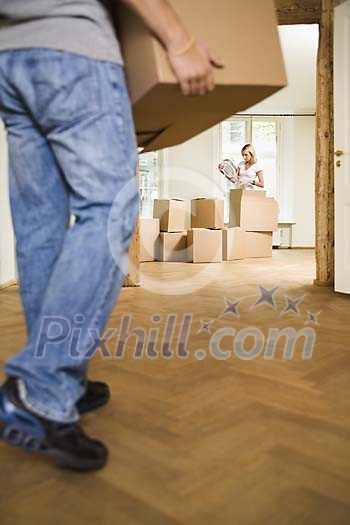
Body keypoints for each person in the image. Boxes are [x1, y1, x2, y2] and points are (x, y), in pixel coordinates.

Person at [0, 0, 224, 471]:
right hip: (73, 51)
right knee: (108, 210)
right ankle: (41, 386)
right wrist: (179, 42)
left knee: (41, 228)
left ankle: (60, 384)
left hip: (10, 58)